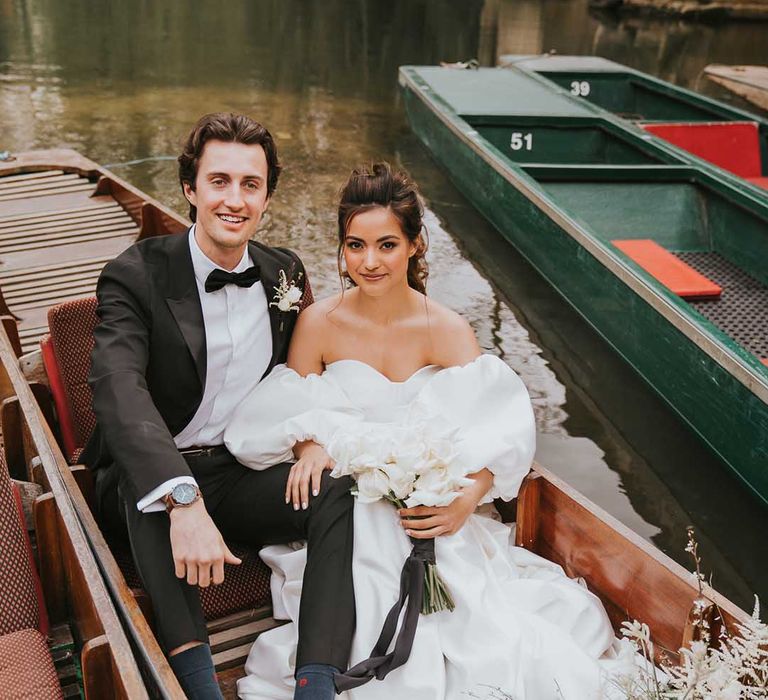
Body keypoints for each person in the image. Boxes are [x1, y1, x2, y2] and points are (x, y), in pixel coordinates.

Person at [225, 162, 633, 699]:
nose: (368, 262)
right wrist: (307, 446)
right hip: (348, 498)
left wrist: (469, 497)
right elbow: (292, 406)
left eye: (386, 245)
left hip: (432, 501)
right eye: (355, 245)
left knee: (467, 597)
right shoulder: (318, 323)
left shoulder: (447, 330)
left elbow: (495, 427)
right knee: (365, 532)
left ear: (416, 245)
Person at [84, 112, 355, 700]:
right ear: (190, 189)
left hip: (238, 471)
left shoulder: (284, 272)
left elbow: (299, 374)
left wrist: (309, 442)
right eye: (219, 181)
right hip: (150, 478)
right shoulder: (135, 274)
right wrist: (182, 498)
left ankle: (317, 681)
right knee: (146, 484)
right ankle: (195, 684)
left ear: (267, 197)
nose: (234, 200)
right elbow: (118, 389)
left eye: (250, 185)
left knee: (337, 490)